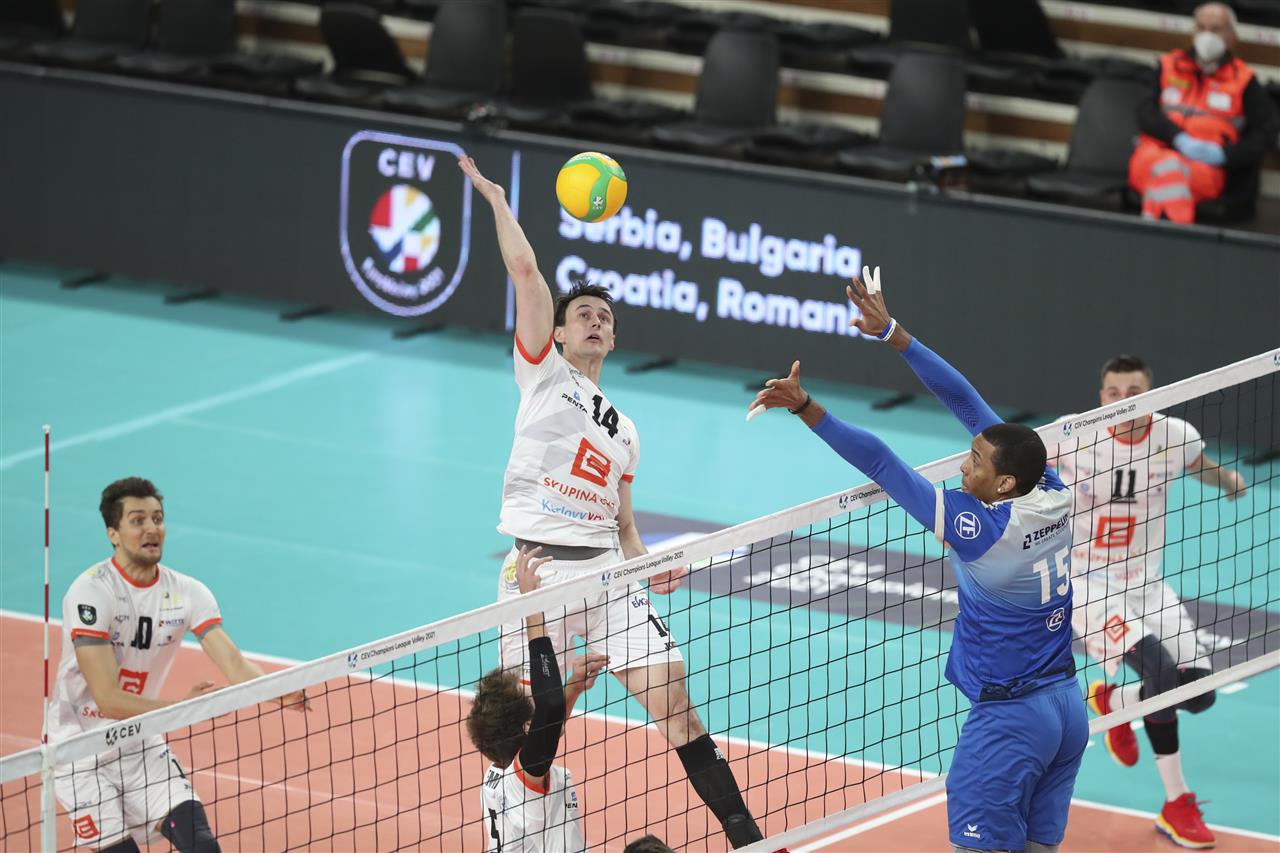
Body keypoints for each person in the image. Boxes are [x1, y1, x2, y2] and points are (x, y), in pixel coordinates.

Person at [457, 155, 763, 847]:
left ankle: (749, 838)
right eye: (583, 315)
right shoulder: (542, 373)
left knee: (678, 709)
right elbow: (526, 274)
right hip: (534, 574)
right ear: (559, 334)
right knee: (520, 735)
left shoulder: (626, 432)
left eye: (605, 317)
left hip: (607, 575)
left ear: (614, 338)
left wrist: (648, 563)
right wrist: (499, 201)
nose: (595, 322)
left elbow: (624, 525)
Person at [749, 267, 1088, 853]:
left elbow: (882, 462)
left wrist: (806, 406)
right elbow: (968, 403)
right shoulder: (1050, 488)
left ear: (1004, 483)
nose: (963, 464)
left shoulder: (980, 530)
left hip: (1011, 721)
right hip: (1066, 708)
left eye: (975, 461)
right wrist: (893, 334)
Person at [48, 477, 307, 853]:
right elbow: (108, 699)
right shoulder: (91, 592)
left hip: (138, 742)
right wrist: (181, 708)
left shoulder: (187, 593)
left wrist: (276, 692)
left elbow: (232, 661)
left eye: (157, 518)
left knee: (203, 847)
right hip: (80, 752)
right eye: (138, 520)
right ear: (113, 534)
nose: (152, 528)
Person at [1051, 355, 1246, 849]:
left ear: (1151, 395)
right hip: (1087, 584)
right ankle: (1176, 803)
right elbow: (1017, 466)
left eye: (1134, 393)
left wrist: (1227, 480)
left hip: (1148, 583)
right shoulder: (1071, 435)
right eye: (1114, 393)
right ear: (1102, 397)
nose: (1123, 402)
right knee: (1159, 672)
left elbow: (1198, 466)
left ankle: (1113, 701)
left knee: (1198, 693)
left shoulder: (1174, 436)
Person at [468, 545, 609, 852]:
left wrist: (573, 688)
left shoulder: (502, 770)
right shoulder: (525, 776)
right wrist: (533, 602)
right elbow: (550, 708)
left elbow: (549, 726)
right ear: (525, 727)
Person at [1128, 2, 1278, 223]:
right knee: (1168, 169)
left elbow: (1264, 135)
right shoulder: (1168, 66)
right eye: (1201, 27)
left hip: (1206, 166)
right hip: (1154, 153)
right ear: (1193, 31)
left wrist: (1224, 155)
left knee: (1170, 179)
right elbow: (1144, 113)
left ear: (1232, 37)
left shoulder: (1244, 81)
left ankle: (1151, 231)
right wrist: (1177, 137)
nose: (1207, 35)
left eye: (1216, 29)